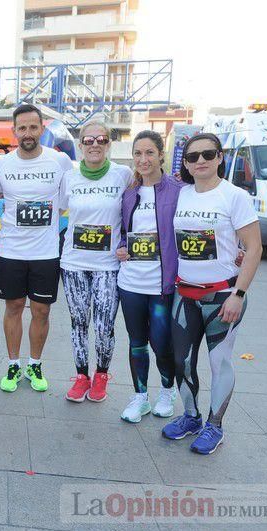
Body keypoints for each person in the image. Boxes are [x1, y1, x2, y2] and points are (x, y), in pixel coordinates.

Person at [162, 133, 262, 455]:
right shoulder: (181, 194)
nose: (200, 161)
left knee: (219, 363)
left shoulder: (234, 196)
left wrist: (239, 293)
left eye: (207, 154)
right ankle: (190, 416)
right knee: (181, 361)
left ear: (220, 157)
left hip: (223, 297)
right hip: (184, 294)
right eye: (193, 157)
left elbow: (255, 247)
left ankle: (214, 425)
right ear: (186, 164)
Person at [0, 104, 72, 392]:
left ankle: (35, 364)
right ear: (14, 131)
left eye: (33, 127)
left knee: (41, 311)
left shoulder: (58, 162)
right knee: (12, 308)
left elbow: (63, 204)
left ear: (41, 129)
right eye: (21, 128)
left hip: (45, 252)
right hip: (11, 251)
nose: (27, 133)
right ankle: (13, 365)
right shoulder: (2, 165)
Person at [61, 120, 133, 402]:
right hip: (74, 262)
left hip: (108, 264)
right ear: (80, 146)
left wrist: (128, 244)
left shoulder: (122, 175)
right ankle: (81, 376)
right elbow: (57, 209)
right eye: (88, 141)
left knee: (104, 324)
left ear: (108, 144)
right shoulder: (70, 177)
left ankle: (101, 375)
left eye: (100, 139)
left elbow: (134, 214)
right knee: (79, 322)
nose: (94, 145)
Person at [116, 131, 182, 422]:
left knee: (161, 342)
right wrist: (121, 247)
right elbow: (123, 233)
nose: (143, 159)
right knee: (137, 342)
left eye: (149, 153)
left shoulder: (178, 190)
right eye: (138, 154)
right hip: (130, 282)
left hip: (161, 284)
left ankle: (167, 390)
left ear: (160, 156)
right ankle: (140, 396)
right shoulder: (129, 193)